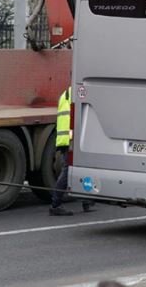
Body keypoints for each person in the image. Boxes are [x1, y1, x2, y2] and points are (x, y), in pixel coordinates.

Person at [50, 85, 94, 216]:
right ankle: (55, 204)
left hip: (67, 139)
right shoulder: (77, 93)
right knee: (68, 170)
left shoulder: (66, 93)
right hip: (71, 139)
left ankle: (86, 200)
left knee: (83, 169)